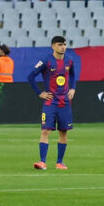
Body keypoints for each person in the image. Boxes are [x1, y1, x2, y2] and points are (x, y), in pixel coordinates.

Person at [29, 34, 78, 169]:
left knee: (63, 132)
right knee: (45, 131)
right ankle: (42, 162)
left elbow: (73, 75)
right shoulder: (46, 61)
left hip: (65, 102)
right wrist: (40, 93)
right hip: (50, 103)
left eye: (64, 44)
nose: (63, 47)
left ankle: (59, 163)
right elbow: (31, 76)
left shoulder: (69, 61)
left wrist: (73, 88)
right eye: (60, 45)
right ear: (53, 46)